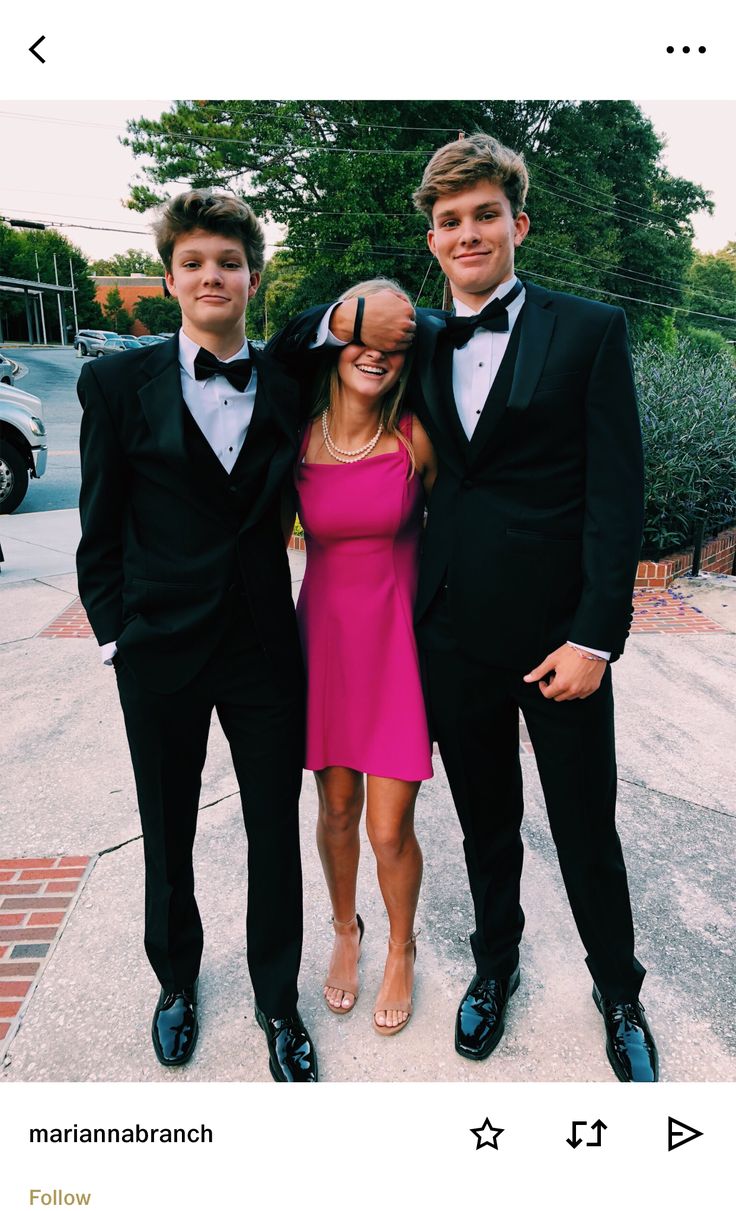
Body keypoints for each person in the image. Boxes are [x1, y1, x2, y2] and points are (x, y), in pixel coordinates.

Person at [284, 133, 659, 1081]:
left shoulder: (589, 330)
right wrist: (347, 306)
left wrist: (595, 637)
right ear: (434, 238)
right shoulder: (418, 340)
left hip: (558, 641)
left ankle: (620, 991)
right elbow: (296, 352)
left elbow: (619, 499)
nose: (467, 232)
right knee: (489, 826)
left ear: (517, 223)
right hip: (451, 636)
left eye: (485, 214)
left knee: (584, 826)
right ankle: (495, 970)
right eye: (449, 220)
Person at [76, 190, 317, 1082]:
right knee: (166, 825)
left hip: (262, 647)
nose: (211, 276)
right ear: (172, 279)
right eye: (193, 263)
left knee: (273, 832)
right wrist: (115, 638)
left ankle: (277, 1001)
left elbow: (364, 336)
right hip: (160, 649)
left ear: (253, 275)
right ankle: (176, 982)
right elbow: (98, 533)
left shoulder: (293, 383)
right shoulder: (114, 384)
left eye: (228, 262)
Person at [293, 279, 437, 1035]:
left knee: (388, 828)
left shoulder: (414, 438)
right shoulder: (298, 435)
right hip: (324, 648)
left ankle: (400, 947)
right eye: (360, 338)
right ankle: (345, 931)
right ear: (334, 342)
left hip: (396, 654)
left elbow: (458, 536)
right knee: (337, 810)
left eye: (390, 345)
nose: (373, 355)